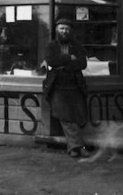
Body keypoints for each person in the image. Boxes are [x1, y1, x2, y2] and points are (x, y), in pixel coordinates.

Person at [43, 18, 90, 157]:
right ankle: (77, 147)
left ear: (71, 31)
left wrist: (63, 65)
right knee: (66, 116)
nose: (64, 31)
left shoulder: (77, 46)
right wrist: (70, 57)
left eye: (67, 29)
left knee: (78, 116)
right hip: (57, 86)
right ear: (57, 30)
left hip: (75, 85)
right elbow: (51, 61)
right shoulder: (51, 46)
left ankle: (74, 148)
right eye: (62, 28)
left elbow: (82, 64)